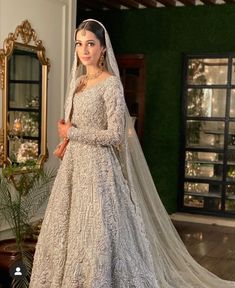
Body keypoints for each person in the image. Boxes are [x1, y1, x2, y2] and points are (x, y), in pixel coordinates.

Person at [29, 19, 235, 288]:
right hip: (74, 168)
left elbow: (115, 135)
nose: (84, 50)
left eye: (91, 43)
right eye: (80, 44)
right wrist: (67, 141)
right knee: (68, 229)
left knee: (98, 231)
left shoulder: (110, 84)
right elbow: (75, 125)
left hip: (98, 170)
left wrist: (73, 134)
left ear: (103, 48)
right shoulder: (79, 82)